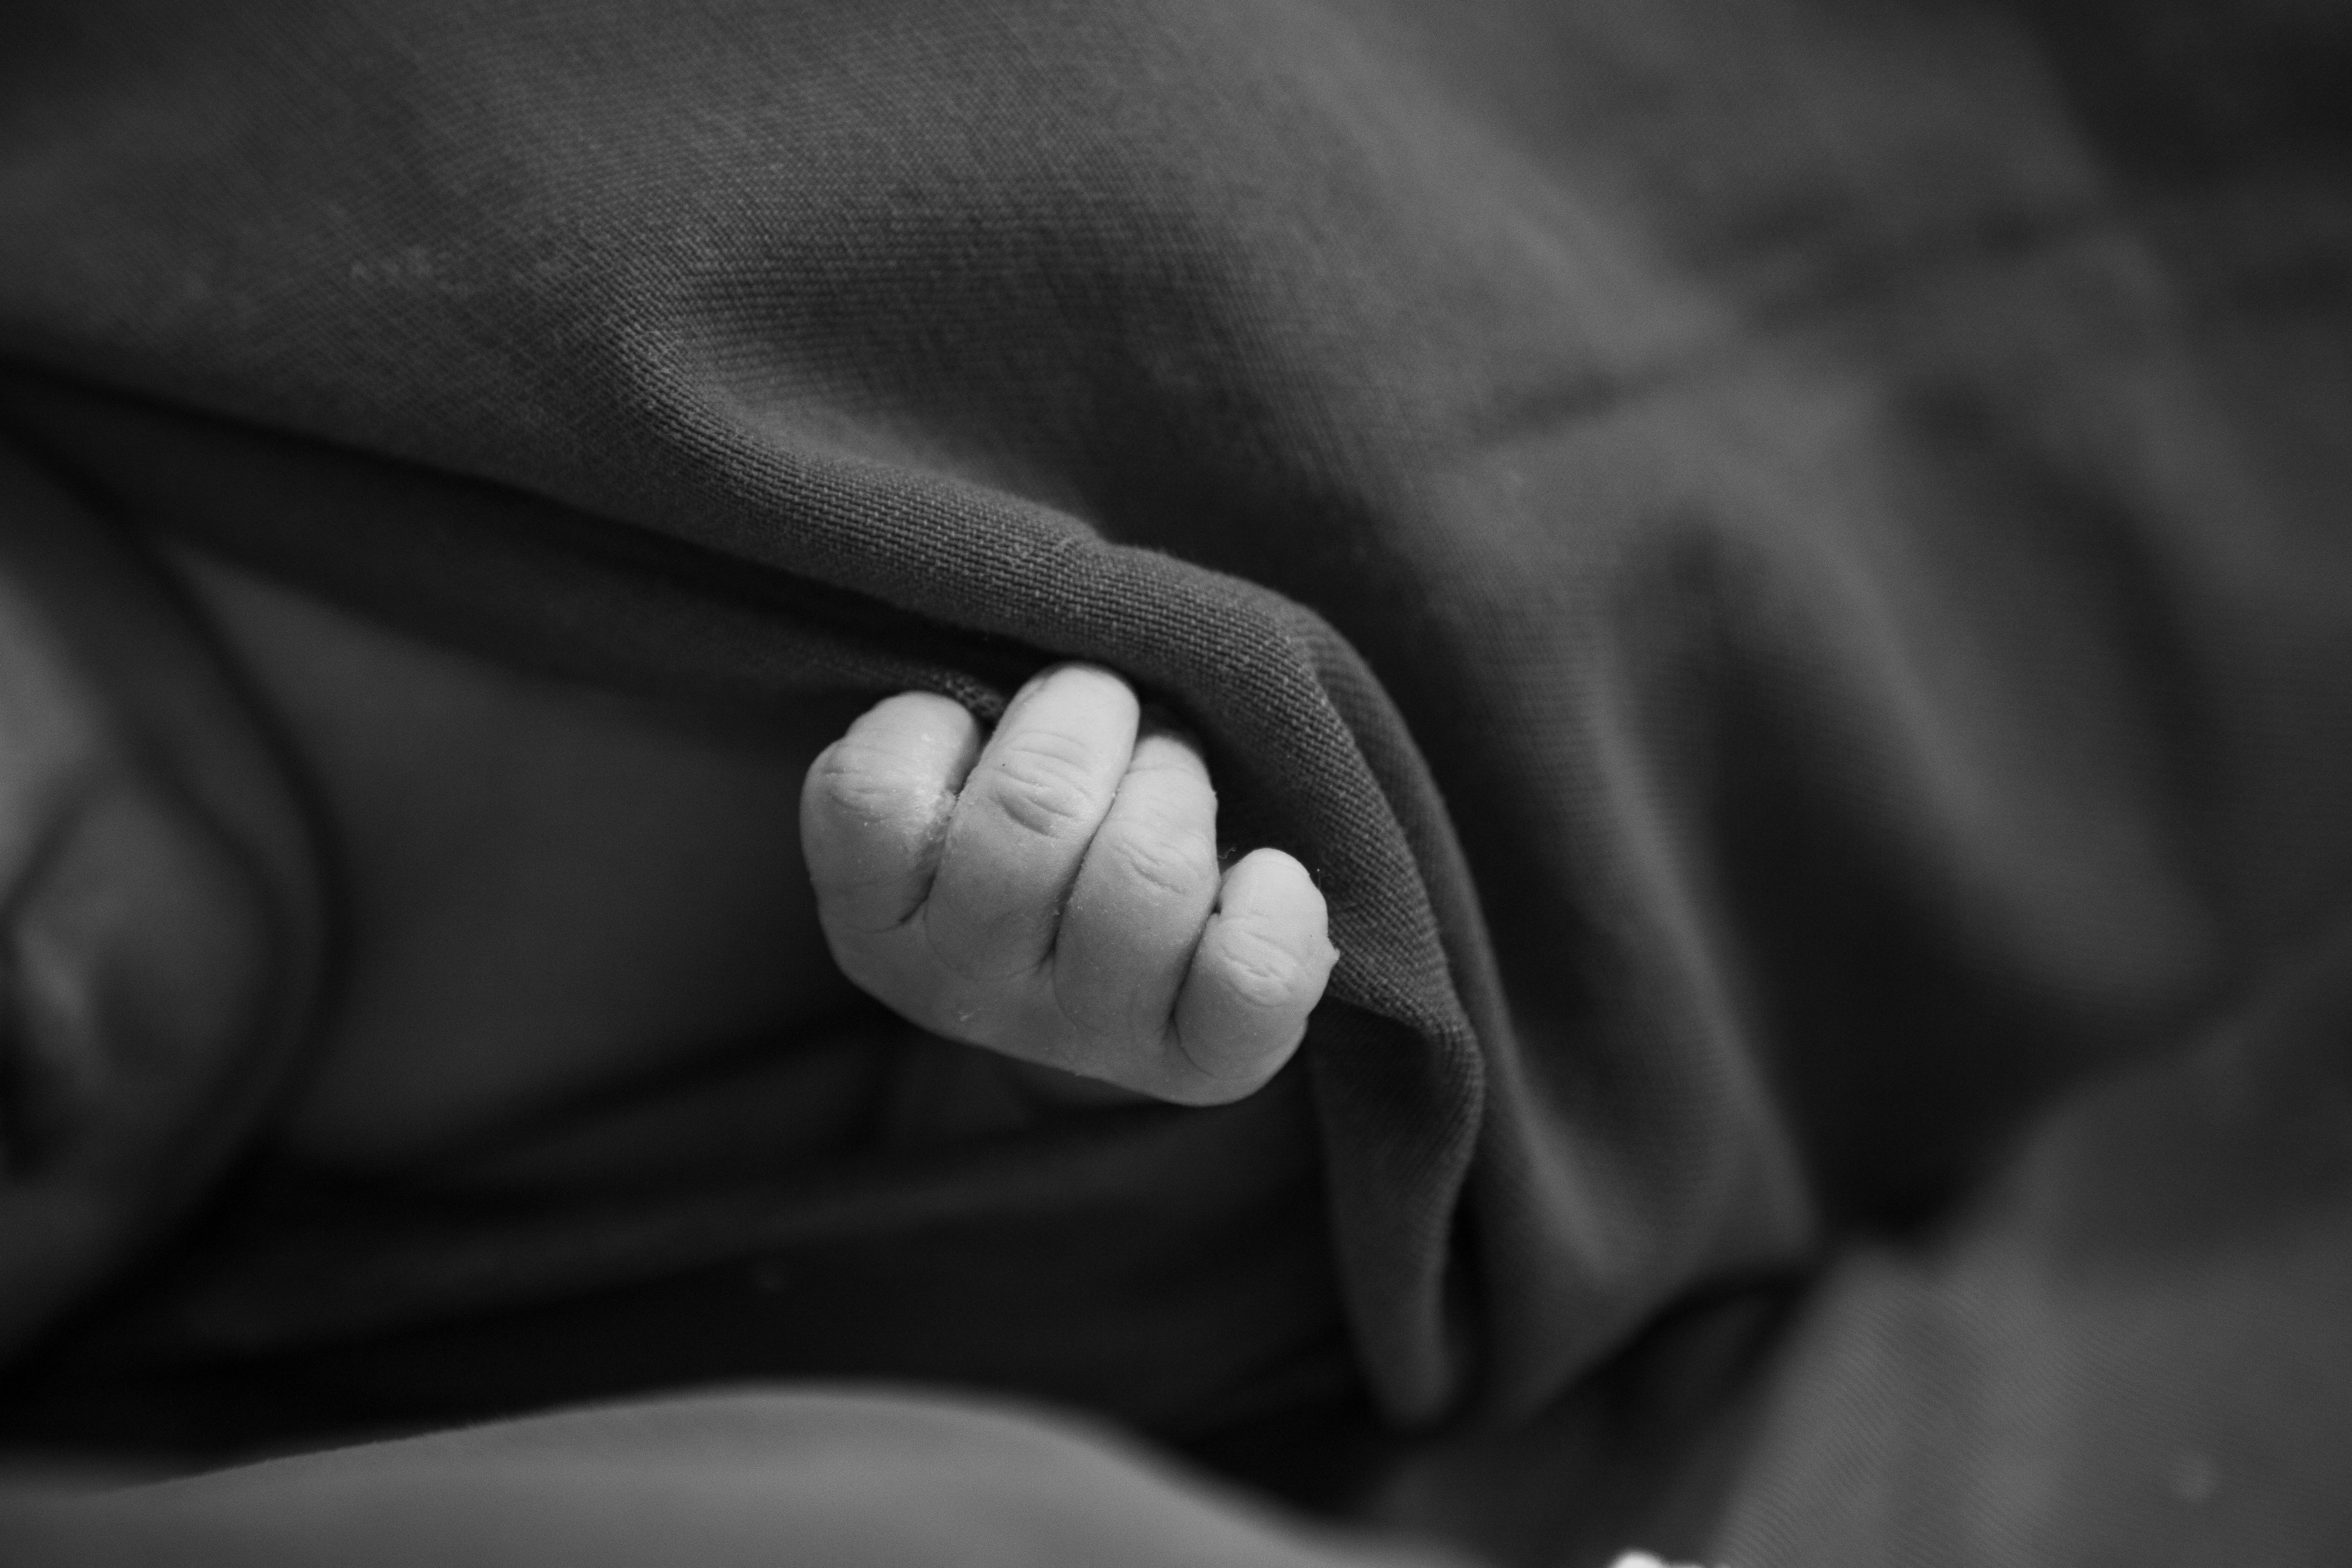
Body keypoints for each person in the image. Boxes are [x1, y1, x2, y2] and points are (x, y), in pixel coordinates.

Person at [5, 2, 2352, 1564]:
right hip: (1961, 707)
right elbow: (1053, 1414)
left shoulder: (169, 135)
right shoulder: (376, 1324)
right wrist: (1069, 1097)